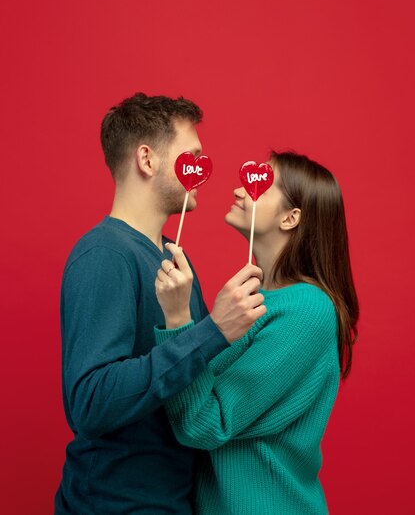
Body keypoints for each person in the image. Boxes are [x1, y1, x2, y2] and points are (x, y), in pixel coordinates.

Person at [54, 93, 266, 515]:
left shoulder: (174, 257)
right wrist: (212, 330)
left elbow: (196, 382)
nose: (202, 171)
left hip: (173, 502)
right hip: (113, 505)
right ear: (147, 160)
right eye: (192, 157)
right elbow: (89, 403)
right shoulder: (106, 254)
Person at [155, 151, 359, 515]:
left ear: (290, 217)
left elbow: (204, 423)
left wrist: (178, 318)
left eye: (260, 187)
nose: (238, 190)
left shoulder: (307, 311)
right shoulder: (253, 300)